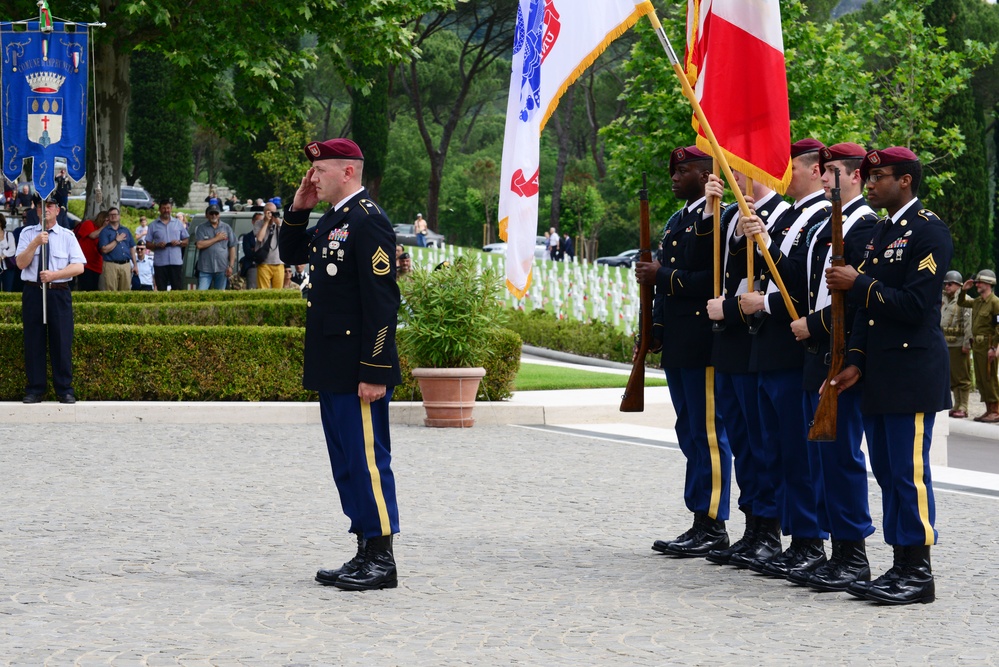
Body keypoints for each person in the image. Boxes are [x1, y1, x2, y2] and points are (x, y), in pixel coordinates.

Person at [826, 146, 953, 605]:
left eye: (878, 176)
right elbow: (864, 313)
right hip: (878, 370)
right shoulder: (881, 233)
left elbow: (917, 307)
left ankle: (918, 572)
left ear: (905, 181)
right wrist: (854, 358)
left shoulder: (928, 232)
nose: (871, 182)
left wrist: (857, 282)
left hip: (912, 370)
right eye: (869, 176)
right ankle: (899, 564)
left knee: (907, 473)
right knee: (885, 471)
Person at [279, 137, 402, 591]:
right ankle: (364, 548)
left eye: (321, 171)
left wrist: (374, 370)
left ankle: (383, 559)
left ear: (347, 171)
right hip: (332, 363)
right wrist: (298, 208)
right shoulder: (335, 218)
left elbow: (382, 302)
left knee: (369, 461)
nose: (314, 177)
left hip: (357, 368)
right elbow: (292, 252)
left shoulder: (368, 220)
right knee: (346, 462)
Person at [731, 138, 832, 577]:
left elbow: (805, 284)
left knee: (797, 450)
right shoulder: (794, 217)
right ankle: (786, 535)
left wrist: (766, 305)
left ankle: (807, 539)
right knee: (772, 448)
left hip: (794, 345)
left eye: (788, 166)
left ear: (813, 170)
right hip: (769, 343)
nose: (781, 174)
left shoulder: (821, 218)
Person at [789, 142, 879, 591]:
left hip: (839, 355)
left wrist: (813, 324)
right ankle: (831, 549)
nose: (824, 179)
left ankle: (852, 553)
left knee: (841, 457)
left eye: (834, 172)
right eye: (822, 171)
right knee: (819, 457)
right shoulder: (830, 222)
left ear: (857, 176)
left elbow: (855, 304)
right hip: (817, 353)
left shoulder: (864, 226)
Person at [636, 145, 731, 558]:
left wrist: (662, 274)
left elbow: (709, 277)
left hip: (702, 342)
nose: (675, 176)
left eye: (684, 169)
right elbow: (663, 286)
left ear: (705, 173)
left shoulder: (716, 218)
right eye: (674, 170)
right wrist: (654, 327)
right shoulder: (680, 218)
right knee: (689, 432)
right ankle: (700, 518)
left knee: (708, 435)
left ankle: (711, 523)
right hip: (678, 340)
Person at [704, 170, 790, 566]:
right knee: (742, 441)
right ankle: (752, 524)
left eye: (736, 167)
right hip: (730, 344)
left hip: (756, 340)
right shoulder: (731, 217)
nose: (728, 173)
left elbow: (775, 288)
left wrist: (733, 311)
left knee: (762, 446)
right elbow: (718, 267)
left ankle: (768, 530)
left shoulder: (783, 218)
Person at [15, 193, 85, 403]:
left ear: (58, 210)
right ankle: (35, 389)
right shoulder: (28, 234)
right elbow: (20, 263)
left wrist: (55, 275)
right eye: (40, 205)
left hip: (58, 292)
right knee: (33, 340)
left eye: (50, 205)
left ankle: (64, 389)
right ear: (36, 209)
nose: (45, 209)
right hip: (33, 292)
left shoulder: (67, 235)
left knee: (61, 340)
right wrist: (36, 243)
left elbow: (79, 266)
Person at [958, 269, 999, 423]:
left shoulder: (995, 302)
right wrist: (964, 290)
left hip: (988, 344)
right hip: (978, 345)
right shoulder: (978, 302)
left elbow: (998, 326)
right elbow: (961, 302)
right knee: (981, 379)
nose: (977, 285)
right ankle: (989, 410)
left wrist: (994, 347)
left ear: (988, 284)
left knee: (990, 377)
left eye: (979, 282)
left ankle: (995, 410)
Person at [942, 271, 972, 419]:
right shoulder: (943, 299)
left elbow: (968, 324)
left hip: (958, 343)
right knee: (951, 377)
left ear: (959, 285)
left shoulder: (965, 300)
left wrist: (967, 343)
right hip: (944, 342)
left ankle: (964, 406)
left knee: (962, 377)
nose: (946, 286)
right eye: (945, 284)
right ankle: (956, 404)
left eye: (950, 284)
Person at [146, 198, 189, 291]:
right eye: (164, 208)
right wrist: (157, 245)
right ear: (159, 209)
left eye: (168, 208)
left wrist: (179, 242)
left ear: (171, 209)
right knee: (161, 290)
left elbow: (186, 241)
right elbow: (148, 244)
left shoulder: (178, 223)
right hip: (160, 263)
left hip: (176, 262)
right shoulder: (153, 225)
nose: (166, 210)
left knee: (177, 290)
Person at [194, 205, 237, 290]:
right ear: (207, 215)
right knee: (201, 293)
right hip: (205, 268)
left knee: (220, 295)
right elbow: (199, 245)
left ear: (219, 215)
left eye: (216, 213)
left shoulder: (226, 227)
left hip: (222, 268)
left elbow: (232, 247)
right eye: (211, 213)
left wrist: (231, 266)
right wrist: (217, 238)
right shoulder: (201, 228)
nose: (214, 215)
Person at [97, 207, 137, 291]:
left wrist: (135, 265)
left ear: (119, 216)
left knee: (126, 291)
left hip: (126, 264)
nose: (113, 216)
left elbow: (131, 248)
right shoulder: (104, 231)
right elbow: (104, 249)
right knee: (111, 291)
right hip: (111, 265)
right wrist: (116, 240)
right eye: (111, 215)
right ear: (108, 217)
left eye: (115, 214)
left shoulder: (126, 230)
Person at [73, 211, 108, 292]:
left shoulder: (106, 231)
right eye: (107, 220)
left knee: (95, 289)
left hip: (97, 264)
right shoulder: (89, 223)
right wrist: (103, 227)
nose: (108, 223)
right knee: (85, 288)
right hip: (85, 264)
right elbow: (92, 235)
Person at [254, 203, 283, 289]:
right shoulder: (259, 223)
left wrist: (278, 223)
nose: (272, 214)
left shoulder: (280, 222)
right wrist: (266, 222)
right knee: (263, 292)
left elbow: (286, 237)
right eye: (269, 212)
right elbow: (259, 238)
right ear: (265, 213)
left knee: (278, 294)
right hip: (264, 263)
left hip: (278, 262)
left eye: (274, 212)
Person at [1, 213, 17, 292]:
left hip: (8, 266)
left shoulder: (9, 235)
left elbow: (12, 249)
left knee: (8, 290)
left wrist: (2, 256)